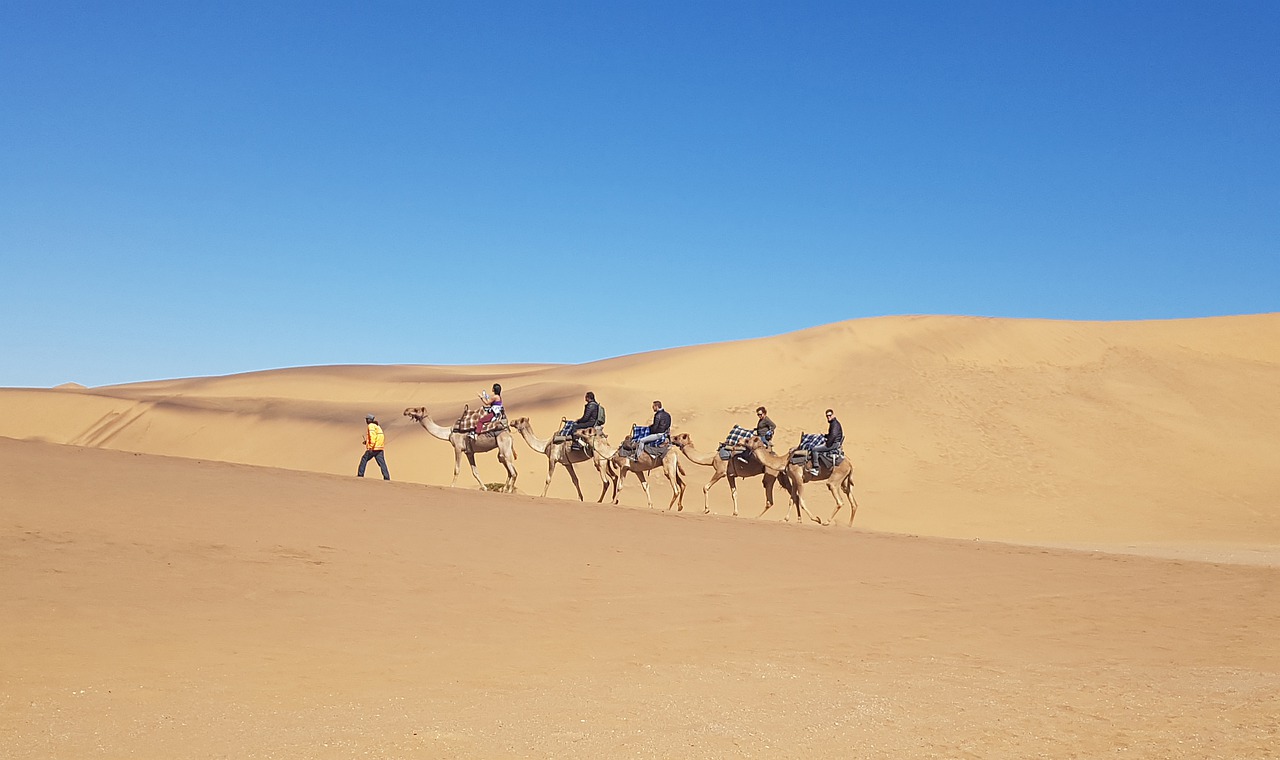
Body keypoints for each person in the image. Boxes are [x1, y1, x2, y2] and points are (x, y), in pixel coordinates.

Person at [809, 408, 843, 476]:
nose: (828, 417)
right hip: (833, 442)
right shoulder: (833, 423)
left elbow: (833, 435)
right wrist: (825, 436)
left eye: (830, 415)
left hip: (833, 444)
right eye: (827, 416)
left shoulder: (835, 424)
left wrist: (827, 444)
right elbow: (832, 435)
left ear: (833, 415)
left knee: (814, 449)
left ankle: (816, 468)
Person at [357, 414, 390, 480]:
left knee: (364, 459)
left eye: (366, 419)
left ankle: (360, 475)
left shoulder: (371, 426)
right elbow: (378, 437)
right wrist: (367, 442)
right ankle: (387, 477)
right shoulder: (377, 426)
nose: (366, 421)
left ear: (369, 420)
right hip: (379, 448)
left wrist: (371, 447)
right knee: (382, 463)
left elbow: (373, 436)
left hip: (374, 448)